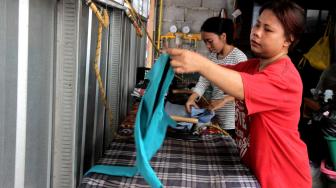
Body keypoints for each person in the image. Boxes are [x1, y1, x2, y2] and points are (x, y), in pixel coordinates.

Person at [166, 0, 312, 187]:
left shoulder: (284, 78)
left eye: (267, 30)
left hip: (284, 178)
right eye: (257, 24)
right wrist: (186, 65)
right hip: (258, 170)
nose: (256, 32)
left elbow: (239, 85)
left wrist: (199, 63)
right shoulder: (253, 66)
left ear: (288, 39)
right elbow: (221, 74)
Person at [186, 17, 247, 136]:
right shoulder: (213, 57)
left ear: (223, 37)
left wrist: (224, 100)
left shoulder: (239, 58)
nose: (208, 46)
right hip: (214, 116)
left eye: (210, 41)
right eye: (205, 42)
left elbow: (246, 90)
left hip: (232, 122)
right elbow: (203, 82)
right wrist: (192, 98)